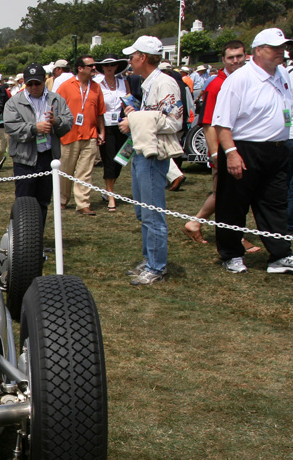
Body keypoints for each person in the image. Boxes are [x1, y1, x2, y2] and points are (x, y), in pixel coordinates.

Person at [210, 27, 293, 274]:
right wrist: (231, 153)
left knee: (275, 203)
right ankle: (231, 254)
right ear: (258, 51)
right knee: (234, 204)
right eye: (275, 48)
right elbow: (222, 122)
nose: (281, 52)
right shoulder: (240, 79)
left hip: (277, 150)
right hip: (244, 148)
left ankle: (279, 255)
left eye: (283, 47)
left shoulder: (283, 75)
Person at [119, 35, 184, 286]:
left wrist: (135, 120)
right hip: (142, 152)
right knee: (143, 211)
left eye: (132, 56)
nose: (130, 61)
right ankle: (149, 259)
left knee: (152, 212)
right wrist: (136, 115)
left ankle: (156, 265)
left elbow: (174, 121)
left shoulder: (164, 84)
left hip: (154, 155)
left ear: (142, 58)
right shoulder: (148, 83)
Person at [184, 41, 255, 248]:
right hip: (224, 151)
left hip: (240, 148)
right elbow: (208, 123)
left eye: (239, 56)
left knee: (225, 194)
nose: (236, 61)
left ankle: (196, 223)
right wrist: (215, 155)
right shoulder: (217, 85)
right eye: (231, 57)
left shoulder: (244, 81)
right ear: (223, 60)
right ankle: (234, 236)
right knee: (227, 196)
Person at [3, 63, 73, 225]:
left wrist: (56, 122)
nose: (33, 87)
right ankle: (20, 237)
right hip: (24, 159)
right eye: (30, 84)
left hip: (47, 158)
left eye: (37, 83)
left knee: (43, 201)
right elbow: (11, 127)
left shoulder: (56, 100)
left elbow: (68, 122)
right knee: (23, 202)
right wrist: (35, 128)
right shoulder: (14, 102)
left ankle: (37, 239)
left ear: (44, 81)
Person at [57, 55, 106, 216]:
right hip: (69, 135)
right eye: (90, 66)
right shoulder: (66, 86)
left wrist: (101, 131)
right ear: (80, 68)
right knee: (65, 170)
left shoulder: (96, 87)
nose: (94, 68)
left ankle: (83, 203)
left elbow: (100, 112)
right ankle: (62, 200)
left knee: (85, 172)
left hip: (90, 134)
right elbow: (56, 109)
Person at [94, 55, 131, 212]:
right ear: (102, 68)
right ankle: (111, 196)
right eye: (106, 66)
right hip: (106, 125)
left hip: (122, 125)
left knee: (120, 160)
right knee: (109, 160)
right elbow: (96, 108)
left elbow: (130, 102)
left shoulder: (124, 83)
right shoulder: (97, 85)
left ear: (117, 67)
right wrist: (99, 130)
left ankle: (109, 189)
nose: (109, 68)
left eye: (112, 65)